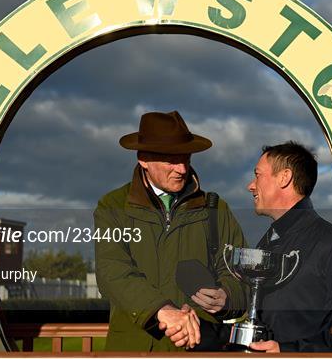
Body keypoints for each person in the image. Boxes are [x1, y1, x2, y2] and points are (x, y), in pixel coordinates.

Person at [94, 111, 246, 351]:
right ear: (143, 159)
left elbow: (240, 273)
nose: (182, 169)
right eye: (171, 160)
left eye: (185, 158)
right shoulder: (112, 206)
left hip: (200, 346)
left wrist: (226, 297)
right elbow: (111, 271)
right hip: (134, 349)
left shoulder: (216, 209)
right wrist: (161, 310)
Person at [246, 142, 332, 353]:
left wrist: (289, 351)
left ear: (284, 177)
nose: (251, 185)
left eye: (258, 175)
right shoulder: (268, 241)